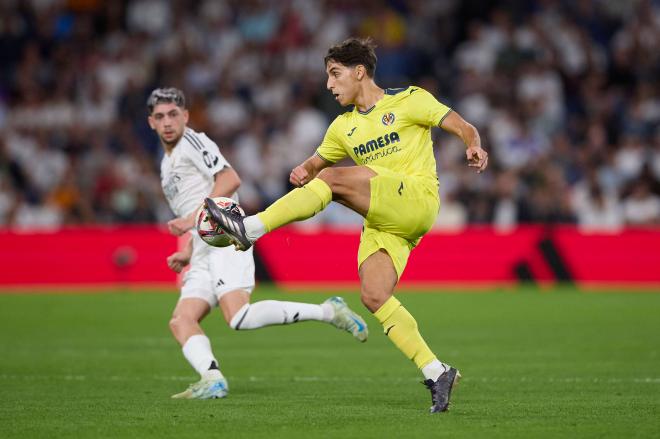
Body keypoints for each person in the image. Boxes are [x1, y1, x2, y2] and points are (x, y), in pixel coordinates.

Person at [205, 38, 488, 413]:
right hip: (385, 222)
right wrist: (304, 170)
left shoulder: (409, 99)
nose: (329, 84)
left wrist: (474, 145)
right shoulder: (343, 128)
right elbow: (315, 164)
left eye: (335, 74)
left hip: (416, 198)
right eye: (327, 76)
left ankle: (250, 228)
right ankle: (437, 371)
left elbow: (463, 125)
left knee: (336, 182)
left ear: (359, 73)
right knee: (373, 296)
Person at [147, 87, 369, 400]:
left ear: (185, 116)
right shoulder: (166, 164)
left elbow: (229, 180)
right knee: (181, 320)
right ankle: (212, 380)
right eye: (160, 116)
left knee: (238, 317)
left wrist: (192, 219)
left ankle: (328, 311)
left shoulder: (191, 142)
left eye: (173, 114)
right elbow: (194, 209)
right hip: (202, 246)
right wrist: (187, 250)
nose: (167, 122)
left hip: (226, 235)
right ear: (151, 123)